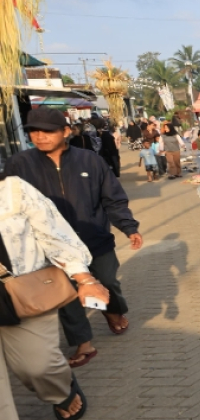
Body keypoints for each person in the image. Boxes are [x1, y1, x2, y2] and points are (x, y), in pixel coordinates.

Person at [3, 107, 143, 366]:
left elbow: (112, 197)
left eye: (47, 131)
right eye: (33, 131)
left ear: (66, 131)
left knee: (109, 281)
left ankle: (113, 311)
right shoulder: (19, 164)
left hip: (95, 238)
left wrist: (129, 227)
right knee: (66, 294)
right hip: (50, 246)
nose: (39, 136)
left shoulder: (90, 160)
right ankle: (84, 344)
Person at [0, 174, 112, 420]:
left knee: (37, 365)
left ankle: (60, 390)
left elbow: (53, 233)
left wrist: (85, 278)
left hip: (23, 290)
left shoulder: (13, 189)